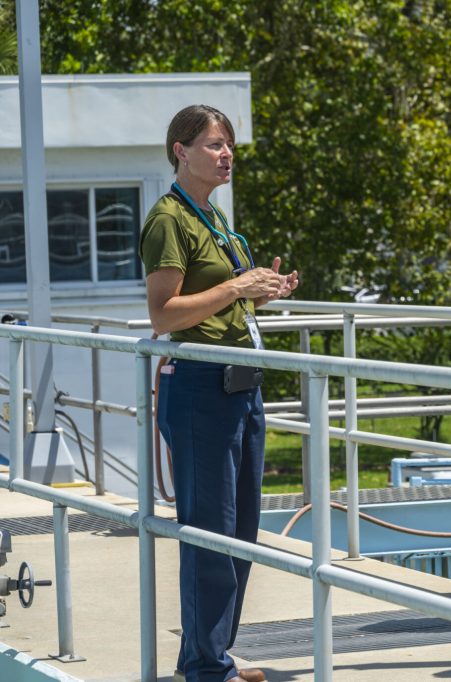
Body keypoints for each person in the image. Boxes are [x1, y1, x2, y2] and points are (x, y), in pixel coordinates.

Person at [141, 104, 299, 682]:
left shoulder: (216, 219)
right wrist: (238, 284)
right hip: (203, 390)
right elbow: (163, 314)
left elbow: (226, 298)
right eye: (212, 144)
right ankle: (208, 667)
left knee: (239, 532)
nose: (225, 153)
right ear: (180, 151)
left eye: (228, 144)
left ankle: (213, 656)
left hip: (240, 386)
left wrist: (262, 290)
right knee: (210, 532)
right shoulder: (170, 219)